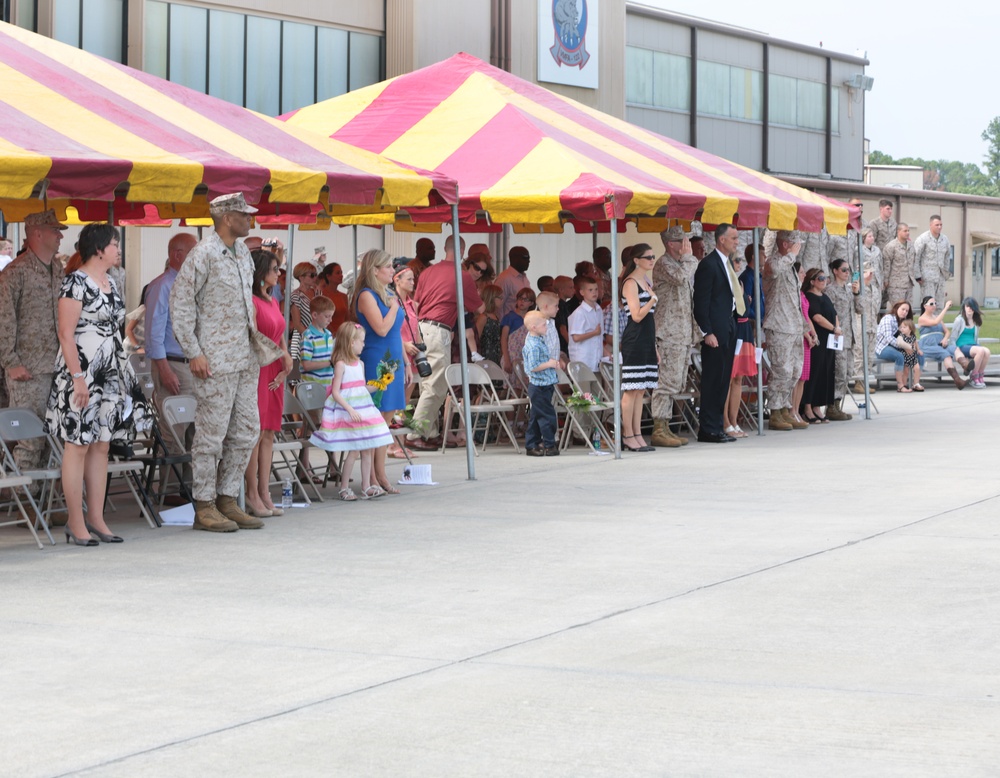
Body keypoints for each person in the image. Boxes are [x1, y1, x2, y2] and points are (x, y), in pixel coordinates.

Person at [171, 192, 286, 533]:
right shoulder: (203, 254)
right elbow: (181, 305)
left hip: (244, 357)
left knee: (247, 429)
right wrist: (193, 351)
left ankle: (227, 498)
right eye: (243, 214)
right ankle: (204, 505)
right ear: (225, 217)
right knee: (211, 435)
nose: (250, 218)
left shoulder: (242, 254)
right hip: (214, 360)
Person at [46, 223, 150, 546]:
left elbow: (119, 327)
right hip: (81, 375)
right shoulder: (75, 283)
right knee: (77, 445)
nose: (119, 250)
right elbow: (65, 334)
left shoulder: (112, 281)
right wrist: (78, 378)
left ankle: (96, 518)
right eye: (115, 245)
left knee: (102, 445)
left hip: (109, 374)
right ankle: (75, 522)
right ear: (99, 249)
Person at [0, 209, 67, 518]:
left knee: (56, 437)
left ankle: (47, 504)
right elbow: (3, 320)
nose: (61, 234)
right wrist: (10, 361)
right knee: (30, 441)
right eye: (55, 229)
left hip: (56, 366)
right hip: (27, 369)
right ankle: (26, 505)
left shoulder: (57, 268)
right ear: (37, 232)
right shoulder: (15, 272)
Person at [405, 235, 484, 451]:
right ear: (462, 251)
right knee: (437, 385)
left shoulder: (428, 271)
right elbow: (480, 309)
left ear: (444, 248)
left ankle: (429, 433)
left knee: (426, 384)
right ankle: (415, 433)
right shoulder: (463, 275)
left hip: (421, 328)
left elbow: (417, 305)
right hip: (439, 329)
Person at [310, 322, 393, 500]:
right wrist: (349, 409)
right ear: (351, 343)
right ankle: (344, 486)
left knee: (366, 449)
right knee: (354, 451)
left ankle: (366, 486)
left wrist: (379, 384)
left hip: (363, 410)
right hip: (349, 412)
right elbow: (336, 391)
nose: (364, 344)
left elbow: (361, 388)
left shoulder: (360, 364)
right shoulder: (340, 365)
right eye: (361, 341)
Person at [144, 232, 199, 501]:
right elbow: (153, 334)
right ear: (178, 255)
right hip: (173, 365)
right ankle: (168, 490)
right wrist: (163, 369)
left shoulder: (191, 284)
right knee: (174, 429)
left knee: (194, 430)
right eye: (193, 253)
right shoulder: (162, 286)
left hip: (193, 365)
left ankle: (187, 487)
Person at [353, 249, 409, 493]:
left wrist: (405, 361)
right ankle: (377, 477)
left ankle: (379, 474)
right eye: (388, 266)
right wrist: (395, 308)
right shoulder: (367, 296)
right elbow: (382, 329)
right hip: (377, 358)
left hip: (394, 357)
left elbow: (397, 332)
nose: (392, 270)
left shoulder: (386, 294)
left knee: (386, 419)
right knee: (377, 419)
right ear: (374, 270)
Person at [244, 249, 293, 519]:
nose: (278, 274)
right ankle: (251, 493)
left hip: (275, 366)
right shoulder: (251, 301)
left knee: (269, 432)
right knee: (256, 431)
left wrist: (286, 356)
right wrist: (280, 353)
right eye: (275, 269)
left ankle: (264, 491)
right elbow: (254, 337)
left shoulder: (272, 300)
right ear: (261, 271)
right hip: (259, 367)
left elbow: (279, 332)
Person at [694, 224, 742, 443]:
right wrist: (707, 332)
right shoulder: (708, 264)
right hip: (714, 331)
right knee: (713, 379)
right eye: (733, 238)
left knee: (723, 379)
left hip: (728, 326)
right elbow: (701, 303)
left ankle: (717, 426)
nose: (737, 242)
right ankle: (708, 428)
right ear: (721, 240)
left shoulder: (727, 263)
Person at [650, 226, 697, 448]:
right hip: (668, 332)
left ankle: (666, 425)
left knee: (676, 381)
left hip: (681, 332)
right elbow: (679, 279)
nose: (686, 246)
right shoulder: (664, 264)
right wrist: (689, 259)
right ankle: (659, 427)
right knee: (666, 381)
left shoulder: (680, 263)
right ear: (671, 244)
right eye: (682, 242)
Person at [762, 232, 811, 431]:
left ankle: (784, 408)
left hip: (793, 327)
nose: (798, 247)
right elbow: (772, 270)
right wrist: (790, 255)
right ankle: (775, 411)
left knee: (794, 371)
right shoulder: (775, 261)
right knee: (781, 371)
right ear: (784, 243)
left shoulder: (790, 266)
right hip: (779, 325)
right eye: (795, 243)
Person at [620, 243, 658, 451]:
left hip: (646, 338)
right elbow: (636, 315)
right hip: (634, 338)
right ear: (636, 260)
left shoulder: (645, 281)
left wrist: (655, 347)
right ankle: (628, 434)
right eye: (648, 257)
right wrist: (652, 300)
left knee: (641, 388)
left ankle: (637, 433)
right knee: (631, 388)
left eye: (653, 256)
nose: (652, 260)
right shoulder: (630, 282)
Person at [823, 258, 862, 419]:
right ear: (835, 271)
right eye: (844, 270)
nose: (847, 273)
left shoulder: (848, 289)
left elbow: (860, 309)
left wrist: (857, 293)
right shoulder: (830, 290)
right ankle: (832, 405)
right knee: (839, 371)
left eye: (849, 271)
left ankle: (837, 403)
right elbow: (830, 312)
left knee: (847, 372)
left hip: (849, 335)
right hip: (837, 335)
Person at [723, 254, 757, 438]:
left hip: (744, 330)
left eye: (740, 261)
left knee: (739, 378)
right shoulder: (727, 283)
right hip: (733, 330)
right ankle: (725, 422)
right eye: (736, 261)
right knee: (728, 377)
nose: (739, 264)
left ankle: (734, 421)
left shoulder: (740, 283)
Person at [800, 268, 839, 422]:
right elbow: (816, 317)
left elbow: (834, 314)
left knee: (826, 372)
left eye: (825, 278)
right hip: (818, 338)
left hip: (830, 338)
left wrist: (838, 328)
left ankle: (818, 406)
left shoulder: (825, 296)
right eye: (820, 278)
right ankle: (807, 407)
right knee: (815, 372)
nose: (824, 281)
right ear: (812, 281)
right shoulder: (809, 296)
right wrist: (834, 328)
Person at [521, 310, 560, 456]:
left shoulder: (538, 340)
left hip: (545, 383)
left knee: (537, 415)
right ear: (533, 327)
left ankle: (532, 444)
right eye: (544, 325)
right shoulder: (533, 345)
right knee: (546, 415)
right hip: (538, 385)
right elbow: (532, 366)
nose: (546, 328)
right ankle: (549, 444)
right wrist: (549, 363)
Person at [852, 228, 883, 394]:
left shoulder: (875, 289)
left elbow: (876, 306)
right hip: (860, 324)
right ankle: (858, 381)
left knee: (870, 354)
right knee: (860, 352)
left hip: (872, 323)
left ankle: (865, 379)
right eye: (868, 272)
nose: (870, 275)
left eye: (872, 272)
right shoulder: (857, 287)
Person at [916, 296, 967, 389]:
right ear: (925, 306)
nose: (934, 305)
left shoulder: (937, 317)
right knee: (945, 354)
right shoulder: (922, 319)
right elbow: (935, 322)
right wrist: (946, 307)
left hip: (940, 343)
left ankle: (966, 365)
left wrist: (945, 339)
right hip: (928, 345)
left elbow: (947, 332)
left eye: (935, 303)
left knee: (955, 348)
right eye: (931, 304)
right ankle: (957, 380)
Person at [875, 301, 925, 392]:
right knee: (899, 356)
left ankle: (916, 383)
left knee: (919, 355)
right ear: (897, 308)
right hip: (883, 347)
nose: (905, 312)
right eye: (903, 309)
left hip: (898, 347)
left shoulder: (904, 321)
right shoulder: (888, 318)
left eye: (907, 310)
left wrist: (914, 348)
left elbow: (911, 336)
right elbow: (889, 338)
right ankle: (900, 386)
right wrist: (906, 347)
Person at [567, 276, 604, 371]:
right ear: (582, 292)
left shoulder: (599, 310)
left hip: (596, 360)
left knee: (597, 385)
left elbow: (598, 339)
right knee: (584, 386)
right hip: (583, 360)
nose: (594, 292)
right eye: (590, 290)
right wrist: (594, 333)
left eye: (596, 289)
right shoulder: (580, 312)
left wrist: (607, 353)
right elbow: (576, 337)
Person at [952, 298, 990, 388]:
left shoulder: (976, 321)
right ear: (964, 308)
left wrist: (979, 347)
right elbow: (953, 337)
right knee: (980, 351)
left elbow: (975, 338)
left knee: (987, 351)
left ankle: (980, 375)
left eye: (971, 307)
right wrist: (954, 350)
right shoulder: (959, 320)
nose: (969, 309)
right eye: (967, 306)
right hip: (961, 346)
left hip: (973, 345)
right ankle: (973, 377)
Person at [914, 215, 952, 304]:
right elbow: (916, 257)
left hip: (940, 278)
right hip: (927, 278)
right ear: (930, 225)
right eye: (937, 225)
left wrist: (945, 272)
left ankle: (939, 318)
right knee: (928, 304)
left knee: (939, 304)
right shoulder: (923, 239)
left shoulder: (945, 239)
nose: (939, 227)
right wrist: (917, 275)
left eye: (941, 225)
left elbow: (947, 257)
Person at [500, 288, 535, 373]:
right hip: (512, 355)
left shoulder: (532, 318)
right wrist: (506, 359)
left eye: (526, 299)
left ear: (531, 303)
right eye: (520, 298)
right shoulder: (509, 317)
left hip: (527, 356)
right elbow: (504, 339)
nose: (522, 302)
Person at [289, 261, 319, 357]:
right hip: (301, 341)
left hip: (318, 338)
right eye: (312, 275)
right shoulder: (295, 295)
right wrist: (312, 338)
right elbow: (297, 324)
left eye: (316, 275)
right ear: (301, 277)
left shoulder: (317, 293)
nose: (315, 278)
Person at [883, 223, 916, 308]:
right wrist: (886, 281)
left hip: (908, 283)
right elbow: (886, 265)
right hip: (896, 285)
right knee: (898, 310)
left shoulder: (911, 245)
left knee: (908, 310)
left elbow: (913, 261)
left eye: (908, 231)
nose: (907, 232)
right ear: (898, 231)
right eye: (905, 231)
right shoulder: (891, 246)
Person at [496, 246, 531, 318]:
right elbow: (497, 306)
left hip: (523, 323)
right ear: (513, 259)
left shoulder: (524, 277)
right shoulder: (504, 278)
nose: (528, 261)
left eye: (529, 258)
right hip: (509, 325)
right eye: (525, 257)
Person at [475, 284, 503, 365]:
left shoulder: (496, 316)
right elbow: (477, 338)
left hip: (495, 356)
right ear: (492, 298)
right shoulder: (483, 317)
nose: (502, 300)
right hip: (485, 356)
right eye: (500, 298)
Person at [318, 262, 349, 332]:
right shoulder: (322, 296)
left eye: (341, 273)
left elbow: (347, 318)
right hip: (328, 335)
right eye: (337, 273)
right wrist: (332, 333)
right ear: (328, 276)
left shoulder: (344, 296)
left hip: (342, 335)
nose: (341, 275)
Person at [895, 319, 922, 392]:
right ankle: (904, 385)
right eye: (901, 327)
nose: (902, 329)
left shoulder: (913, 336)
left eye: (904, 327)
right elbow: (900, 344)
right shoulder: (901, 336)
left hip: (913, 356)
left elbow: (915, 343)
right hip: (905, 356)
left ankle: (916, 383)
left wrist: (918, 349)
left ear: (910, 328)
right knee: (906, 371)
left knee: (917, 368)